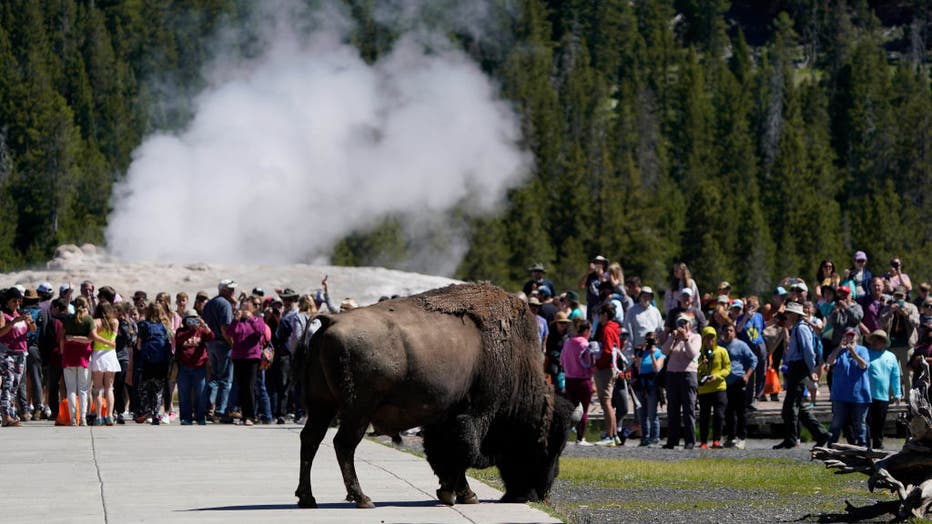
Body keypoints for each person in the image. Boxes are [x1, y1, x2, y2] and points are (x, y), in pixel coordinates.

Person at [773, 302, 831, 449]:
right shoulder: (797, 328)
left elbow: (808, 351)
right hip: (796, 367)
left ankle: (792, 438)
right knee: (797, 405)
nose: (786, 316)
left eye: (788, 313)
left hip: (799, 368)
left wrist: (811, 369)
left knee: (790, 406)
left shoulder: (801, 329)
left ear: (794, 314)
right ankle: (820, 433)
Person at [62, 296, 106, 426]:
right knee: (83, 390)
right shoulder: (88, 320)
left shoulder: (68, 319)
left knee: (70, 389)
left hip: (69, 355)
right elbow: (91, 339)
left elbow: (62, 337)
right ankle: (83, 418)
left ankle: (73, 419)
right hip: (83, 356)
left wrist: (70, 340)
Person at [224, 297, 267, 426]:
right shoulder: (238, 321)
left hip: (252, 358)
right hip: (238, 357)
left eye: (247, 306)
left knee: (249, 387)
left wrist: (251, 319)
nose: (244, 308)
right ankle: (244, 415)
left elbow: (261, 331)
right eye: (243, 306)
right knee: (241, 388)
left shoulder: (257, 319)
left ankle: (251, 416)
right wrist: (235, 321)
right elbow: (230, 333)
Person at [825, 327, 870, 446]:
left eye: (852, 335)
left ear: (857, 337)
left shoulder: (863, 350)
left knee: (860, 424)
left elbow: (863, 365)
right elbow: (829, 362)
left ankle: (863, 447)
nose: (850, 338)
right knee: (836, 423)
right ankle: (831, 446)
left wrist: (853, 352)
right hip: (840, 395)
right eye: (847, 335)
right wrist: (839, 347)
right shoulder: (839, 351)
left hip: (859, 395)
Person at [661, 313, 701, 449]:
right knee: (672, 409)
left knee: (688, 408)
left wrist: (685, 339)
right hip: (672, 375)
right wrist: (672, 338)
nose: (682, 325)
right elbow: (664, 352)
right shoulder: (674, 338)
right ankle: (672, 440)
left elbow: (693, 354)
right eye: (680, 323)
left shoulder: (696, 337)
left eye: (685, 322)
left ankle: (690, 441)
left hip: (688, 375)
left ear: (690, 324)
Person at [0, 287, 37, 426]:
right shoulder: (3, 315)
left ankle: (10, 412)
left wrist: (30, 321)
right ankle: (6, 416)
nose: (17, 303)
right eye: (14, 301)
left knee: (15, 385)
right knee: (8, 383)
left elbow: (33, 330)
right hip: (7, 353)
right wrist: (14, 322)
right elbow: (1, 332)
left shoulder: (22, 314)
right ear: (7, 301)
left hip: (21, 353)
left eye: (18, 301)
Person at [203, 279, 237, 421]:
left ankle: (206, 407)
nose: (233, 292)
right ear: (224, 290)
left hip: (211, 343)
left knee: (214, 377)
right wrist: (232, 344)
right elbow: (225, 328)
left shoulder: (210, 303)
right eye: (230, 289)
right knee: (225, 380)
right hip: (223, 344)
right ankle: (220, 410)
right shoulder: (224, 304)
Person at [135, 303, 173, 425]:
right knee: (158, 390)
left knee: (145, 387)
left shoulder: (143, 325)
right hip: (161, 362)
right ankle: (156, 413)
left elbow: (139, 345)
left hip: (147, 362)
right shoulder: (165, 326)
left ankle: (146, 411)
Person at [174, 309, 213, 425]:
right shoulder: (181, 331)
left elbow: (211, 337)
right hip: (184, 368)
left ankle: (201, 417)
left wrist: (204, 326)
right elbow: (179, 339)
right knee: (184, 394)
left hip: (199, 367)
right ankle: (186, 417)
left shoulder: (201, 331)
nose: (192, 321)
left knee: (201, 393)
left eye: (194, 319)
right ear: (185, 321)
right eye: (189, 319)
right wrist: (191, 331)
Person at [723, 322, 757, 450]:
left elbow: (754, 359)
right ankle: (730, 437)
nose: (728, 333)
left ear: (734, 332)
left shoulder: (741, 345)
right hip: (725, 383)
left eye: (731, 330)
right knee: (728, 412)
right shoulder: (720, 345)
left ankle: (741, 437)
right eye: (726, 330)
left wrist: (747, 375)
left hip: (739, 381)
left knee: (741, 412)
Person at [865, 330, 902, 449]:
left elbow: (895, 376)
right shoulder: (865, 353)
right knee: (867, 422)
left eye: (879, 339)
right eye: (874, 339)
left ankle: (878, 445)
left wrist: (897, 393)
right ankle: (865, 446)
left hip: (883, 395)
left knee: (880, 422)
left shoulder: (891, 356)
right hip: (866, 394)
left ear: (884, 342)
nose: (876, 342)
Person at [880, 286, 919, 396]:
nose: (898, 298)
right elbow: (881, 323)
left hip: (906, 345)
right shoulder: (888, 308)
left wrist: (906, 314)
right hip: (890, 345)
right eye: (896, 296)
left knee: (908, 374)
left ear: (905, 296)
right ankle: (891, 397)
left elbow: (917, 323)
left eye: (901, 296)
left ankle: (909, 397)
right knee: (891, 373)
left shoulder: (912, 307)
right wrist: (890, 312)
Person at [561, 319, 595, 445]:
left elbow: (562, 361)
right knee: (584, 410)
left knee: (572, 408)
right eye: (590, 331)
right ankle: (580, 438)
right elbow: (590, 364)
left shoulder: (568, 342)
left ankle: (566, 435)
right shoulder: (585, 345)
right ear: (586, 331)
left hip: (569, 379)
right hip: (583, 380)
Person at [592, 303, 621, 446]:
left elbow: (608, 351)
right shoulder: (613, 328)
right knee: (607, 401)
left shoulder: (607, 329)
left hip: (605, 369)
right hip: (610, 368)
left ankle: (609, 435)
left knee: (606, 402)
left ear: (605, 314)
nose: (598, 317)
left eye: (599, 314)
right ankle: (614, 435)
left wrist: (598, 364)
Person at [696, 326, 730, 449]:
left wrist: (717, 376)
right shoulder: (698, 354)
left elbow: (727, 368)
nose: (710, 339)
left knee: (719, 415)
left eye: (712, 337)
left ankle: (716, 440)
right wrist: (701, 365)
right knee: (704, 416)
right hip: (704, 389)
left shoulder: (722, 351)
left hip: (719, 388)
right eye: (707, 337)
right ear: (703, 338)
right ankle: (704, 441)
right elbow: (694, 369)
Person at [89, 303, 120, 425]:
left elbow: (93, 337)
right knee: (109, 388)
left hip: (98, 353)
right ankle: (110, 415)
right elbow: (114, 339)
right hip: (110, 354)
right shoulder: (115, 322)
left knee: (97, 388)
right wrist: (109, 342)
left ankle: (98, 416)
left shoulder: (95, 321)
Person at [633, 331, 664, 447]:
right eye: (648, 339)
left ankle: (654, 437)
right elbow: (637, 366)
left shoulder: (659, 353)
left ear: (657, 341)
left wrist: (652, 354)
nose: (650, 342)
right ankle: (644, 437)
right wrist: (642, 351)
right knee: (642, 413)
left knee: (652, 413)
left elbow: (657, 369)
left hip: (652, 385)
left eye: (652, 339)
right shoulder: (641, 352)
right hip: (641, 385)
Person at [735, 296, 767, 407]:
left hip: (759, 345)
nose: (751, 308)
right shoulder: (741, 317)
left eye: (754, 306)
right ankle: (748, 399)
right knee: (750, 372)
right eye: (749, 306)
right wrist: (746, 317)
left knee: (761, 371)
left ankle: (758, 396)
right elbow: (738, 329)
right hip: (748, 347)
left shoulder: (759, 316)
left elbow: (762, 329)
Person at [624, 287, 664, 351]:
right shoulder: (632, 311)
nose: (646, 298)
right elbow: (628, 331)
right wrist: (630, 350)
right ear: (640, 297)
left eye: (649, 296)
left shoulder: (656, 311)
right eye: (644, 296)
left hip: (653, 350)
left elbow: (660, 331)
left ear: (651, 298)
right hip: (638, 349)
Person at [544, 312, 572, 394]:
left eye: (565, 323)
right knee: (557, 388)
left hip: (566, 365)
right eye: (561, 323)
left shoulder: (568, 335)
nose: (563, 325)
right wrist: (558, 357)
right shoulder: (551, 335)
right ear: (556, 323)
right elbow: (549, 350)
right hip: (555, 365)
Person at [579, 255, 609, 323]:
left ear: (604, 265)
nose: (598, 264)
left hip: (603, 305)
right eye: (596, 262)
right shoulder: (590, 276)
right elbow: (581, 286)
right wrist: (587, 273)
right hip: (591, 306)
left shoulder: (607, 275)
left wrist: (601, 274)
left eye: (600, 263)